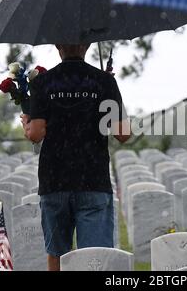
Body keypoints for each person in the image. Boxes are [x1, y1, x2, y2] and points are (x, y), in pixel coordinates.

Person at [21, 44, 131, 271]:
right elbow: (122, 133)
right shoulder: (104, 81)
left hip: (55, 179)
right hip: (92, 179)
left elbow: (36, 134)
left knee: (57, 255)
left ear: (57, 46)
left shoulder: (42, 82)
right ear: (87, 45)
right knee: (95, 260)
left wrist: (26, 123)